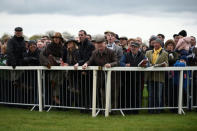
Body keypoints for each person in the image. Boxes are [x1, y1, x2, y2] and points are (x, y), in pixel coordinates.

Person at [82, 34, 117, 108]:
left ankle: (111, 110)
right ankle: (101, 109)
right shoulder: (94, 52)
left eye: (101, 43)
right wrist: (86, 64)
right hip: (100, 77)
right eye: (97, 43)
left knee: (111, 94)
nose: (99, 45)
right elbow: (90, 60)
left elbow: (116, 62)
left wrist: (110, 64)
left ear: (105, 43)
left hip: (111, 77)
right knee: (100, 94)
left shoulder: (111, 52)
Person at [120, 42, 146, 114]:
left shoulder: (142, 55)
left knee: (136, 95)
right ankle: (127, 110)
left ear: (138, 48)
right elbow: (120, 62)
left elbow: (147, 63)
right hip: (127, 79)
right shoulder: (126, 54)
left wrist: (145, 64)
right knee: (127, 94)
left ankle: (135, 111)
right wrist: (125, 65)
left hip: (138, 79)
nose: (133, 48)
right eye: (132, 47)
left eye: (135, 47)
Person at [40, 32, 64, 105]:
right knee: (52, 84)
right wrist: (46, 63)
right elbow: (42, 55)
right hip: (50, 68)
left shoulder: (62, 46)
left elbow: (64, 57)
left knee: (58, 83)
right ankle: (52, 99)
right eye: (55, 38)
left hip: (60, 67)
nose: (56, 39)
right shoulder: (49, 46)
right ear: (53, 39)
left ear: (60, 39)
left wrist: (63, 62)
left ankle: (56, 98)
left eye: (58, 38)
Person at [145, 38, 168, 113]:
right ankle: (150, 110)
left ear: (160, 44)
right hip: (150, 76)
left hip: (159, 77)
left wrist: (164, 65)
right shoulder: (148, 52)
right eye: (154, 43)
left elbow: (167, 64)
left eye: (157, 43)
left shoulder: (165, 53)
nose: (155, 44)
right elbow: (145, 62)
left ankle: (158, 110)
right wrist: (149, 65)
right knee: (151, 95)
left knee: (158, 95)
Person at [74, 30, 95, 111]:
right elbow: (79, 57)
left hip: (88, 70)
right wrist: (78, 63)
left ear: (86, 35)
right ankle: (83, 107)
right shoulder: (80, 44)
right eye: (79, 35)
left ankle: (88, 108)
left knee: (88, 90)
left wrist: (79, 63)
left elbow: (87, 58)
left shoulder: (89, 45)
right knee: (82, 90)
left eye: (82, 35)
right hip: (81, 68)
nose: (80, 36)